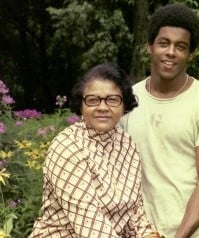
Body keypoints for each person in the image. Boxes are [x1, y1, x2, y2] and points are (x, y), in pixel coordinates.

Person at [120, 3, 199, 238]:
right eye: (164, 43)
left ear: (190, 54)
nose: (171, 52)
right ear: (150, 46)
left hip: (198, 231)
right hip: (143, 231)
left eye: (180, 46)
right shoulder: (127, 101)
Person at [29, 63, 162, 238]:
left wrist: (148, 235)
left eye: (112, 99)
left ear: (124, 104)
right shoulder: (68, 145)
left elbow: (135, 213)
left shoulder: (128, 145)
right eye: (93, 100)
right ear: (81, 105)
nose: (102, 107)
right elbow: (90, 225)